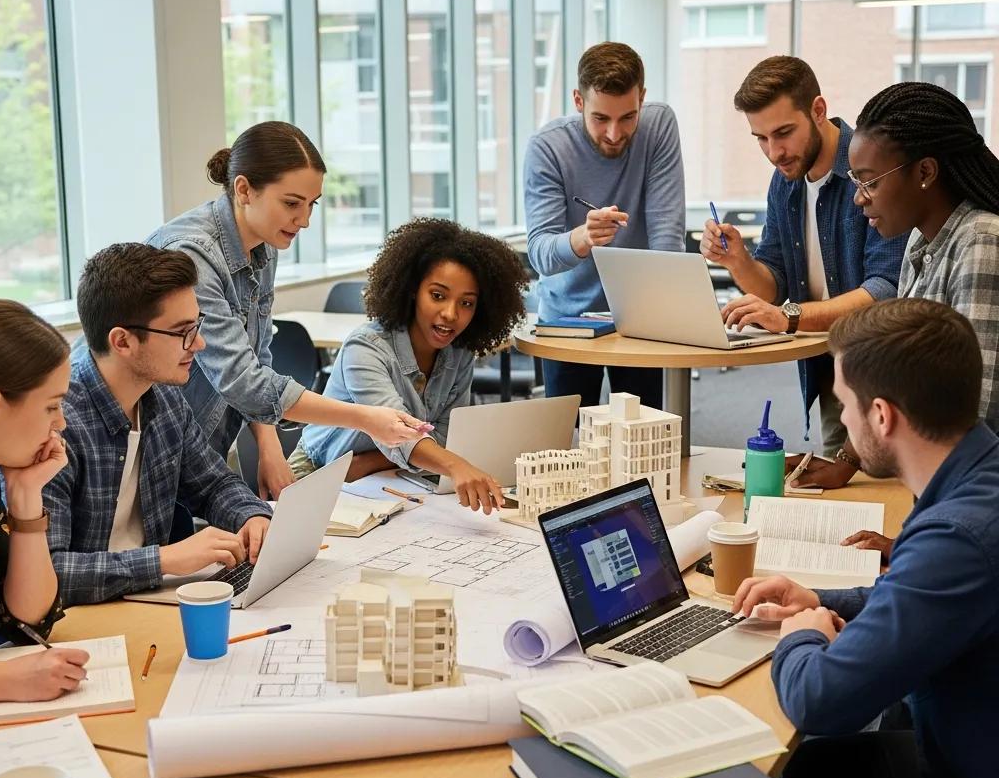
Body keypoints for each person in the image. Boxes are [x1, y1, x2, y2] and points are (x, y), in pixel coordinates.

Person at [726, 298, 999, 778]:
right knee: (818, 771)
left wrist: (801, 630)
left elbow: (820, 703)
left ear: (881, 415)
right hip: (973, 751)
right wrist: (818, 597)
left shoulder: (959, 535)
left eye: (844, 405)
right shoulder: (981, 473)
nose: (842, 422)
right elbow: (920, 596)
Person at [146, 121, 428, 500]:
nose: (305, 220)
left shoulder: (263, 245)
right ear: (244, 189)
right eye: (292, 203)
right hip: (150, 447)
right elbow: (242, 380)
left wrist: (269, 447)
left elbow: (256, 359)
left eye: (311, 204)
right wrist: (366, 418)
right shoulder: (193, 253)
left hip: (196, 446)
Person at [789, 80, 999, 513]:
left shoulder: (982, 241)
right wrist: (846, 460)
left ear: (924, 172)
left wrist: (916, 538)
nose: (859, 199)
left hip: (973, 508)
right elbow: (891, 373)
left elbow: (973, 419)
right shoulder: (921, 245)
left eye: (870, 182)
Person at [43, 244, 276, 606]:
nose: (198, 343)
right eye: (182, 331)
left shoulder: (163, 397)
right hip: (78, 621)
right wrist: (164, 560)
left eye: (197, 326)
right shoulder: (55, 422)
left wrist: (253, 517)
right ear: (123, 341)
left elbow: (213, 484)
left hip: (143, 601)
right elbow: (48, 573)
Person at [700, 56, 906, 453]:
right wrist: (737, 260)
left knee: (887, 490)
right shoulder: (785, 182)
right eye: (761, 139)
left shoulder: (868, 168)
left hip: (882, 367)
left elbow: (886, 288)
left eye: (783, 132)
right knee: (839, 479)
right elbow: (775, 285)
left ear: (818, 110)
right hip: (828, 363)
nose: (774, 152)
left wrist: (790, 317)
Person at [289, 218, 527, 514]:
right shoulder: (366, 348)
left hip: (385, 476)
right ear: (414, 289)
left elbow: (443, 436)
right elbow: (395, 432)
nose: (451, 314)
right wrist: (454, 464)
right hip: (317, 472)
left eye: (466, 303)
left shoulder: (460, 353)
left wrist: (368, 463)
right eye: (438, 296)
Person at [524, 41, 685, 408]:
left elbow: (666, 235)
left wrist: (666, 310)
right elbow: (541, 254)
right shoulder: (546, 148)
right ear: (578, 101)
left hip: (639, 317)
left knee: (644, 446)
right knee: (566, 451)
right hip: (567, 321)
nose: (615, 133)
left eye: (628, 117)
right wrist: (582, 238)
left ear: (642, 98)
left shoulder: (658, 125)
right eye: (601, 119)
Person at [0, 300, 90, 704]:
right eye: (51, 406)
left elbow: (26, 621)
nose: (60, 423)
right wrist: (5, 680)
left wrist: (25, 496)